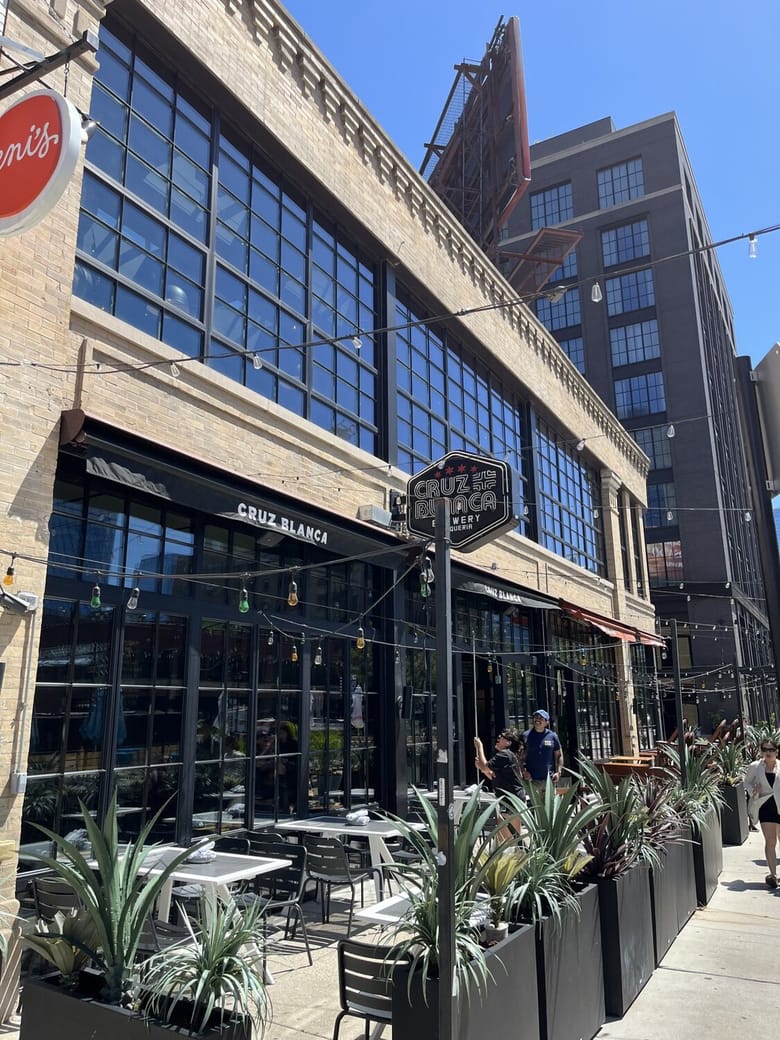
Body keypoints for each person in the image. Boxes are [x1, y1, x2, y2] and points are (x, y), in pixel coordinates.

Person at [744, 739, 780, 888]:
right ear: (761, 751)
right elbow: (746, 782)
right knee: (771, 841)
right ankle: (773, 875)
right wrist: (753, 790)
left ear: (776, 751)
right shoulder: (756, 767)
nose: (768, 752)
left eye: (771, 750)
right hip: (765, 806)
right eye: (765, 749)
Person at [522, 709, 562, 786]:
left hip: (549, 780)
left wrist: (558, 772)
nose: (537, 720)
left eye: (541, 718)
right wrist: (523, 771)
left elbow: (559, 755)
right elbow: (518, 757)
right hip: (531, 780)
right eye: (536, 717)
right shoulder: (525, 736)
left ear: (546, 723)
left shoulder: (552, 736)